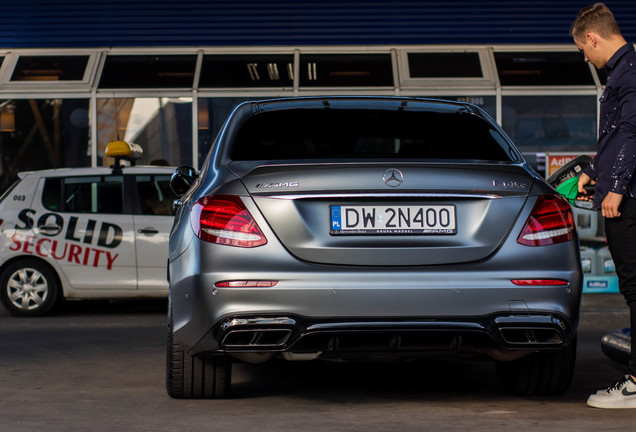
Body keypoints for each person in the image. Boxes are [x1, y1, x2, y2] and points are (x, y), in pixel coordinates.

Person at [571, 3, 636, 409]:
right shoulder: (627, 70)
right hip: (624, 188)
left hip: (628, 200)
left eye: (582, 49)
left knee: (634, 288)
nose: (584, 57)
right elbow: (619, 135)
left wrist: (615, 187)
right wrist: (596, 167)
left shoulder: (628, 74)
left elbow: (632, 130)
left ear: (593, 38)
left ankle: (634, 383)